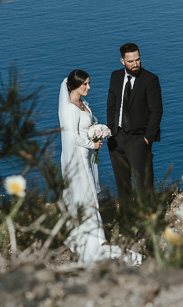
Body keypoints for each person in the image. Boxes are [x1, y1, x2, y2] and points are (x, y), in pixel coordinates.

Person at [58, 69, 140, 265]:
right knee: (83, 195)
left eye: (88, 83)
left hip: (85, 158)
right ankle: (87, 237)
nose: (88, 87)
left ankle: (95, 233)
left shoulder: (83, 104)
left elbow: (86, 127)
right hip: (77, 159)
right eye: (84, 84)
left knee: (90, 196)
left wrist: (97, 131)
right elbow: (72, 137)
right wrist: (92, 143)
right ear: (73, 86)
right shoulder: (69, 109)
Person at [106, 43, 163, 204]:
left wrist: (146, 139)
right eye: (130, 61)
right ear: (122, 61)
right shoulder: (115, 76)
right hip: (116, 139)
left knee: (144, 186)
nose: (135, 64)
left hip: (139, 140)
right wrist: (111, 131)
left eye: (137, 60)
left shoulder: (150, 79)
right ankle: (126, 224)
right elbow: (111, 106)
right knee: (122, 186)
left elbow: (157, 111)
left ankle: (148, 225)